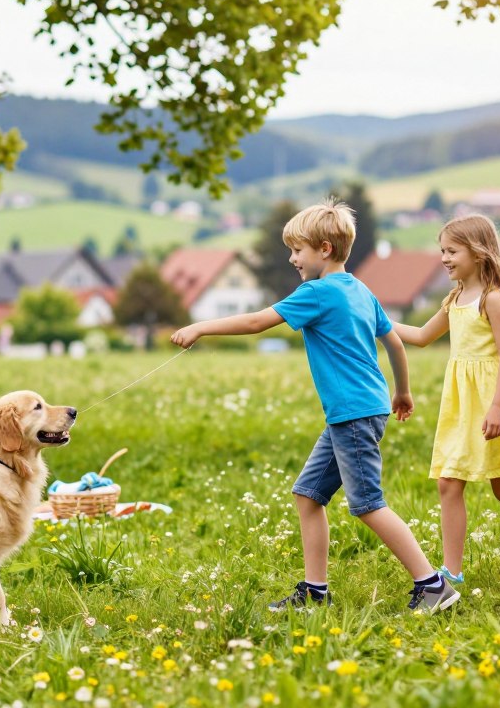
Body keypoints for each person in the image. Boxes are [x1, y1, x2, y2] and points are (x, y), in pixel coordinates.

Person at [170, 202, 459, 613]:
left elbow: (256, 323)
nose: (292, 259)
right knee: (308, 496)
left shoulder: (317, 293)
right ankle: (315, 593)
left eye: (298, 251)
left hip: (354, 414)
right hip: (362, 409)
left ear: (324, 249)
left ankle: (432, 584)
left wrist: (200, 326)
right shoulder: (360, 289)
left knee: (368, 504)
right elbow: (393, 341)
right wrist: (402, 392)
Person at [392, 214, 500, 587]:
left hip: (491, 400)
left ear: (479, 252)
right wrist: (375, 321)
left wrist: (498, 405)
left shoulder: (493, 299)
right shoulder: (454, 298)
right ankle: (452, 572)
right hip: (462, 403)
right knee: (449, 483)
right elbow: (420, 335)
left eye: (452, 250)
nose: (444, 258)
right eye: (442, 251)